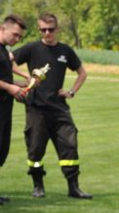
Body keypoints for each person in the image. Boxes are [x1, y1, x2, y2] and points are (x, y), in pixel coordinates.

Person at [13, 13, 91, 199]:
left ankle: (74, 188)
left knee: (70, 147)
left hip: (59, 109)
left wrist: (71, 92)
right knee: (35, 150)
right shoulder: (31, 48)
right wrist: (25, 79)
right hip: (36, 109)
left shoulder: (65, 51)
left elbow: (82, 73)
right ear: (39, 30)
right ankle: (38, 186)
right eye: (43, 29)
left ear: (57, 30)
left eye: (50, 29)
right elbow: (7, 60)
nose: (47, 33)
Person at [0, 15, 27, 204]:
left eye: (19, 37)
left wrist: (20, 84)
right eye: (15, 35)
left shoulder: (4, 51)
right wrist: (10, 88)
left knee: (2, 148)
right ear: (3, 29)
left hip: (4, 107)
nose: (17, 40)